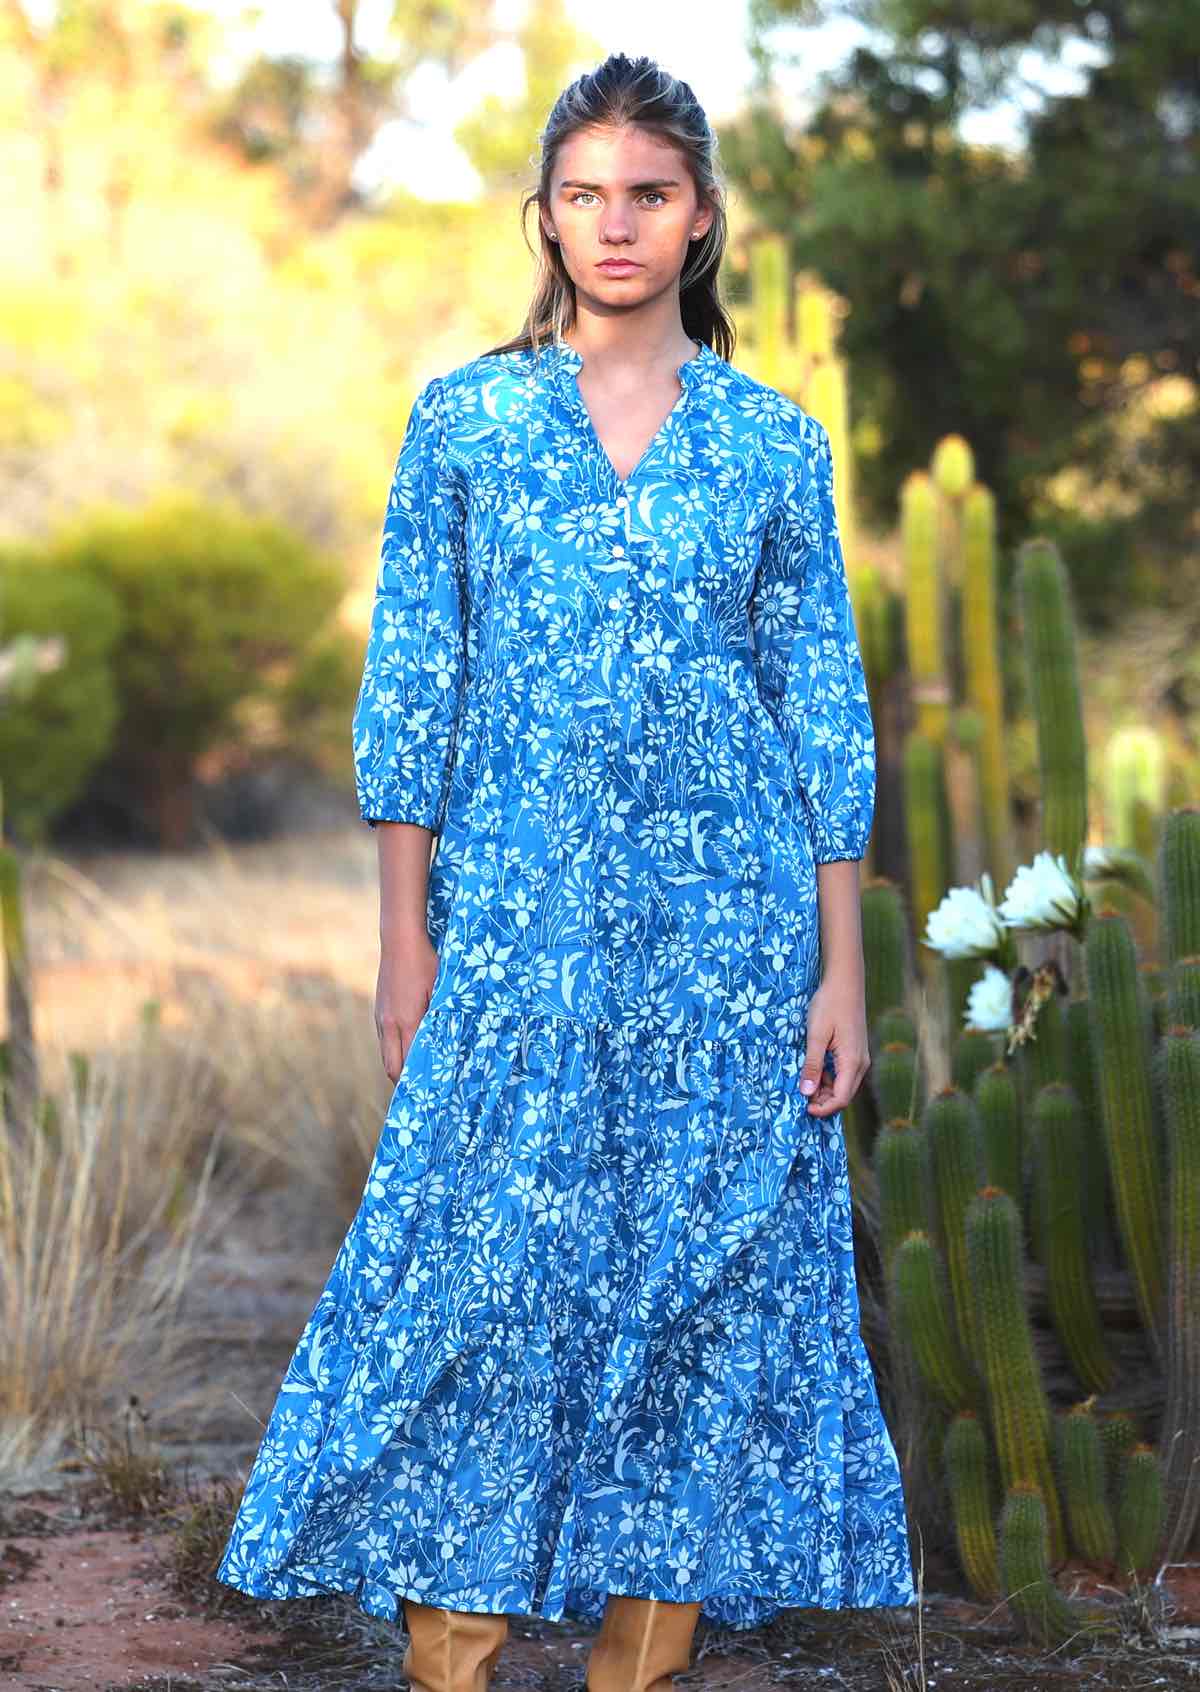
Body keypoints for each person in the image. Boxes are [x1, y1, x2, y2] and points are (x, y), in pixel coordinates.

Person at [215, 50, 915, 1692]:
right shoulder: (466, 423)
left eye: (649, 195)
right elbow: (413, 693)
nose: (616, 224)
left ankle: (634, 1669)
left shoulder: (772, 446)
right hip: (518, 932)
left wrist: (841, 968)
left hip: (725, 947)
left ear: (700, 223)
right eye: (586, 194)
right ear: (543, 217)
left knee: (695, 1297)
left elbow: (821, 712)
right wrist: (406, 938)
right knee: (478, 1278)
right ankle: (452, 1664)